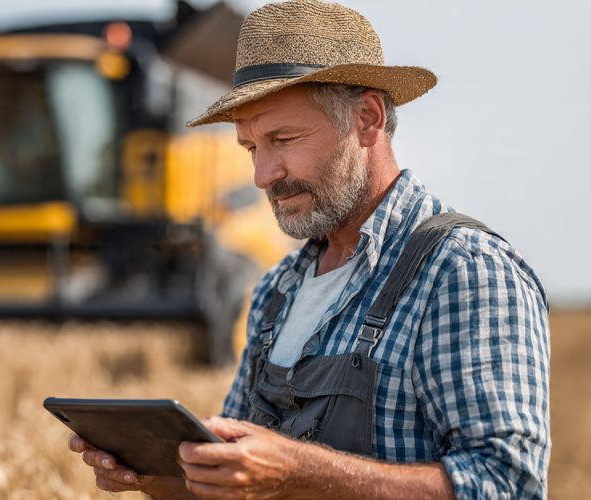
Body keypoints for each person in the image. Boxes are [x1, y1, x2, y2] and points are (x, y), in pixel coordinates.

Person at [68, 1, 551, 498]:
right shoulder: (276, 290)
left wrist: (299, 471)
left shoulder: (464, 271)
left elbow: (507, 484)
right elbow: (244, 482)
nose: (263, 176)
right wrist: (162, 478)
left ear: (367, 118)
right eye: (251, 147)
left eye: (284, 138)